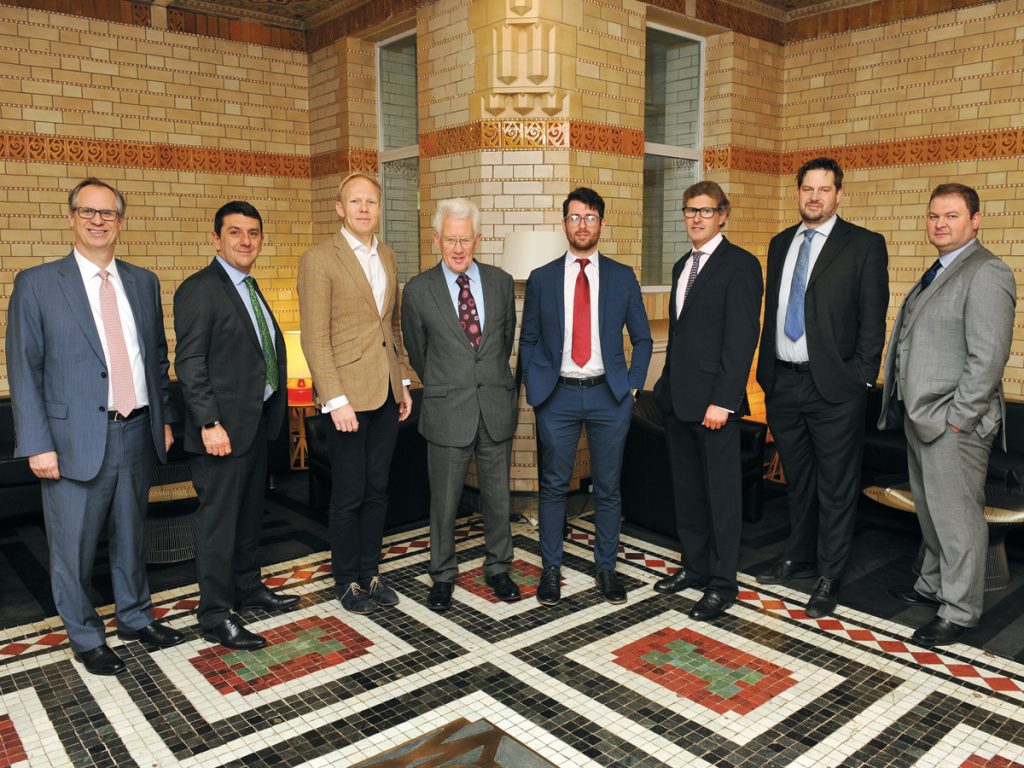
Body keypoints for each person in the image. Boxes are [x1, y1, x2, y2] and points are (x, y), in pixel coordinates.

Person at [6, 178, 184, 676]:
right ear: (71, 218)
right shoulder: (38, 284)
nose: (98, 220)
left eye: (108, 213)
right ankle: (85, 635)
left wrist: (165, 418)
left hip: (137, 432)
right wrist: (38, 444)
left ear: (121, 222)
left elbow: (156, 358)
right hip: (71, 441)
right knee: (74, 547)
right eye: (88, 211)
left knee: (132, 536)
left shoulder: (143, 281)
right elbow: (24, 368)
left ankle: (135, 616)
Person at [879, 183, 1015, 647]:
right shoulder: (939, 270)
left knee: (958, 520)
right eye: (934, 215)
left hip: (952, 424)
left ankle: (960, 609)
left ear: (975, 221)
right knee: (933, 513)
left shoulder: (987, 272)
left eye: (952, 216)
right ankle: (933, 587)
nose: (940, 223)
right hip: (923, 419)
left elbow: (988, 359)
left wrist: (958, 418)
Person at [755, 157, 889, 618]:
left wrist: (860, 380)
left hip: (835, 388)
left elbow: (873, 323)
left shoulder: (865, 246)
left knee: (836, 485)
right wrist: (766, 375)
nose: (814, 197)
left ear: (838, 194)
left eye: (823, 189)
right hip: (783, 384)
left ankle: (830, 574)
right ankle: (798, 554)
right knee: (800, 480)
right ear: (797, 193)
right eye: (807, 189)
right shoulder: (779, 244)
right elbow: (775, 308)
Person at [174, 201, 299, 651]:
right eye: (235, 232)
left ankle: (247, 587)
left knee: (249, 517)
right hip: (220, 432)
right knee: (218, 524)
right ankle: (214, 614)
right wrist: (208, 422)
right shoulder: (201, 289)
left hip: (255, 425)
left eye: (253, 233)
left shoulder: (251, 287)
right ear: (216, 239)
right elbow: (189, 363)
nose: (246, 241)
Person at [520, 187, 652, 606]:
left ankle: (607, 569)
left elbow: (644, 340)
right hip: (556, 396)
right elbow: (529, 340)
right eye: (575, 217)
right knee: (554, 486)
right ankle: (551, 569)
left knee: (608, 488)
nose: (582, 225)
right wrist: (537, 389)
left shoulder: (621, 276)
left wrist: (630, 387)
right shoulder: (542, 278)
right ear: (564, 224)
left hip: (607, 397)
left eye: (591, 217)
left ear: (602, 224)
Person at [298, 173, 413, 615]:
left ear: (379, 208)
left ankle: (371, 572)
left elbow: (390, 326)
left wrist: (401, 381)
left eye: (371, 202)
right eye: (355, 201)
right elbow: (314, 337)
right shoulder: (319, 259)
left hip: (384, 389)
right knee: (349, 493)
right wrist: (334, 399)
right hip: (346, 396)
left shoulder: (387, 254)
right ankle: (346, 581)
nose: (364, 208)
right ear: (340, 208)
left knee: (378, 489)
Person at [401, 198, 520, 611]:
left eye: (465, 239)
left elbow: (503, 343)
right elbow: (419, 352)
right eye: (450, 239)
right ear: (436, 239)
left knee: (498, 497)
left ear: (478, 240)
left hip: (495, 406)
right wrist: (446, 383)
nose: (457, 248)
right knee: (444, 502)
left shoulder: (501, 283)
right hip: (447, 409)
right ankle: (442, 574)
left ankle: (499, 567)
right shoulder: (417, 290)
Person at [652, 181, 763, 621]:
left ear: (723, 215)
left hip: (715, 406)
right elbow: (682, 334)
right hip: (679, 401)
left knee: (721, 498)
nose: (695, 218)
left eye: (705, 210)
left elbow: (741, 339)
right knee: (689, 493)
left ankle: (723, 583)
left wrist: (724, 400)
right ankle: (694, 567)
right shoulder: (683, 265)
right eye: (689, 211)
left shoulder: (740, 265)